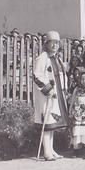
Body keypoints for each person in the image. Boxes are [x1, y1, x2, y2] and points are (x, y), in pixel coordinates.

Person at [33, 31, 69, 161]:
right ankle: (46, 151)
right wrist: (48, 89)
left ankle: (52, 149)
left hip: (57, 95)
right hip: (46, 96)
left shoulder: (56, 58)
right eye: (52, 42)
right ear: (46, 43)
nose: (55, 45)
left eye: (57, 43)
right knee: (47, 122)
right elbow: (37, 76)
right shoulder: (42, 58)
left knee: (52, 123)